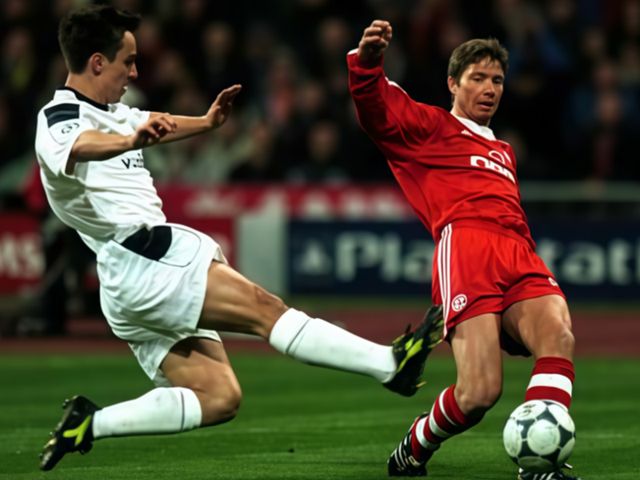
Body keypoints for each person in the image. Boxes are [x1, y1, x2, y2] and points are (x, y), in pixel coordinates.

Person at [35, 7, 444, 472]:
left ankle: (88, 424)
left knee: (218, 397)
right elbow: (79, 146)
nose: (135, 72)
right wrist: (131, 142)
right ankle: (389, 364)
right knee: (266, 310)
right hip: (143, 256)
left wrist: (206, 122)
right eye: (127, 61)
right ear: (96, 63)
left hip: (129, 279)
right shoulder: (59, 117)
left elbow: (156, 121)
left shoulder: (116, 113)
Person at [347, 20, 579, 480]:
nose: (490, 88)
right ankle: (415, 446)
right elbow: (376, 109)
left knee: (559, 336)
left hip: (519, 249)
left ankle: (538, 463)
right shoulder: (431, 126)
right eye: (478, 78)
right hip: (467, 248)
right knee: (478, 394)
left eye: (497, 80)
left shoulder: (504, 150)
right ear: (453, 83)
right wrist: (368, 63)